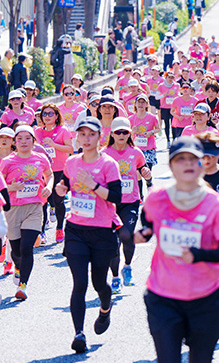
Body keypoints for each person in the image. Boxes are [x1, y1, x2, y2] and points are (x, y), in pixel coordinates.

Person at [135, 137, 219, 363]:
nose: (188, 163)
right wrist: (144, 233)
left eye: (193, 158)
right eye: (180, 159)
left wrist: (198, 255)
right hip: (163, 296)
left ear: (202, 164)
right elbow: (148, 221)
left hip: (205, 298)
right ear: (171, 166)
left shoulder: (217, 205)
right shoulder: (157, 198)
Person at [53, 117, 121, 352]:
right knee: (79, 283)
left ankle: (105, 308)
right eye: (82, 134)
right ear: (77, 137)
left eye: (91, 134)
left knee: (99, 283)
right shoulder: (71, 162)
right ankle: (79, 334)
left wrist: (93, 185)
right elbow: (64, 184)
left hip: (102, 231)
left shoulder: (109, 164)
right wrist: (60, 189)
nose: (87, 139)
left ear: (100, 137)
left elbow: (116, 197)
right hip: (76, 230)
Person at [0, 124, 53, 300]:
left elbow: (50, 174)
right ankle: (17, 266)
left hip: (34, 207)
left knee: (26, 246)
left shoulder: (40, 158)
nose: (24, 142)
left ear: (33, 141)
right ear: (15, 142)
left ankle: (22, 286)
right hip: (13, 209)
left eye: (28, 138)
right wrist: (11, 187)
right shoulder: (7, 162)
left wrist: (49, 186)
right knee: (16, 251)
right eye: (20, 138)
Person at [103, 117, 151, 293]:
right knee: (112, 243)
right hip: (110, 204)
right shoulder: (104, 153)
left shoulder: (136, 152)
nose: (122, 135)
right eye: (118, 132)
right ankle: (115, 277)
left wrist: (147, 175)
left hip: (130, 201)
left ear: (130, 134)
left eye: (125, 132)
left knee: (126, 235)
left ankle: (128, 267)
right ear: (112, 134)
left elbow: (143, 170)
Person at [34, 103, 74, 244]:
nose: (47, 116)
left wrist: (53, 145)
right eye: (44, 114)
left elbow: (70, 149)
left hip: (59, 170)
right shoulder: (37, 132)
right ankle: (41, 232)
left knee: (57, 201)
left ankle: (59, 228)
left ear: (56, 116)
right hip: (42, 171)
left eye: (51, 113)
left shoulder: (63, 130)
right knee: (42, 201)